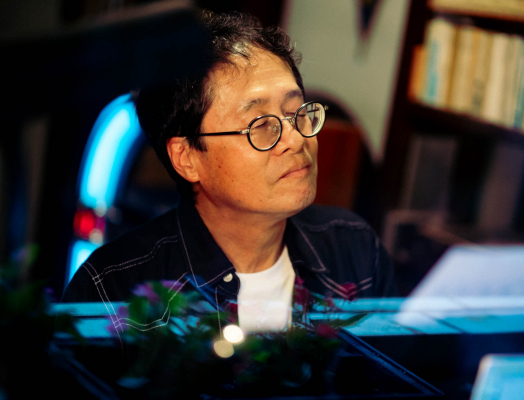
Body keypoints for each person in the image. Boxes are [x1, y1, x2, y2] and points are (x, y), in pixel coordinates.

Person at [62, 10, 398, 333]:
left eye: (297, 112)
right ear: (187, 158)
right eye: (261, 125)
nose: (296, 140)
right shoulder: (113, 288)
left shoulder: (354, 248)